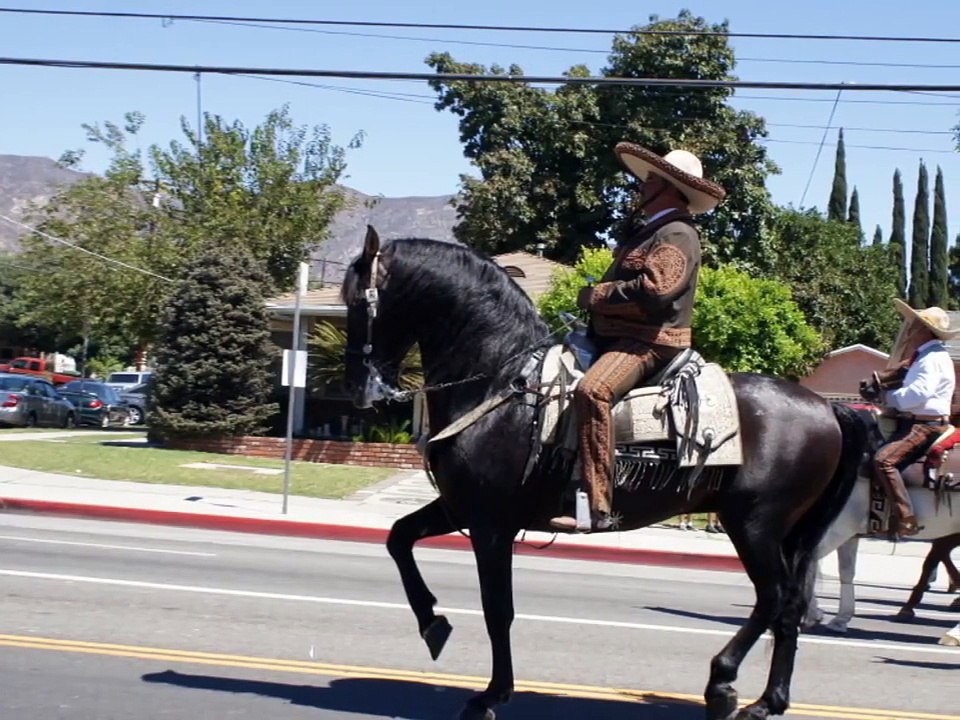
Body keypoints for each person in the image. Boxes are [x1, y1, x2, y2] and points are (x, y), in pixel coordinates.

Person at [550, 142, 725, 533]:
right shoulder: (652, 231)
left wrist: (596, 296)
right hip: (618, 336)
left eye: (649, 181)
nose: (641, 187)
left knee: (592, 391)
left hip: (649, 342)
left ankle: (596, 507)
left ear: (667, 188)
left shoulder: (677, 232)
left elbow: (656, 292)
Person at [862, 299, 959, 539]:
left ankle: (906, 518)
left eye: (914, 325)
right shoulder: (924, 356)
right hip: (919, 422)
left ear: (924, 330)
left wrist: (886, 397)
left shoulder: (932, 359)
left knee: (884, 460)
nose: (909, 329)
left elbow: (917, 395)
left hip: (926, 426)